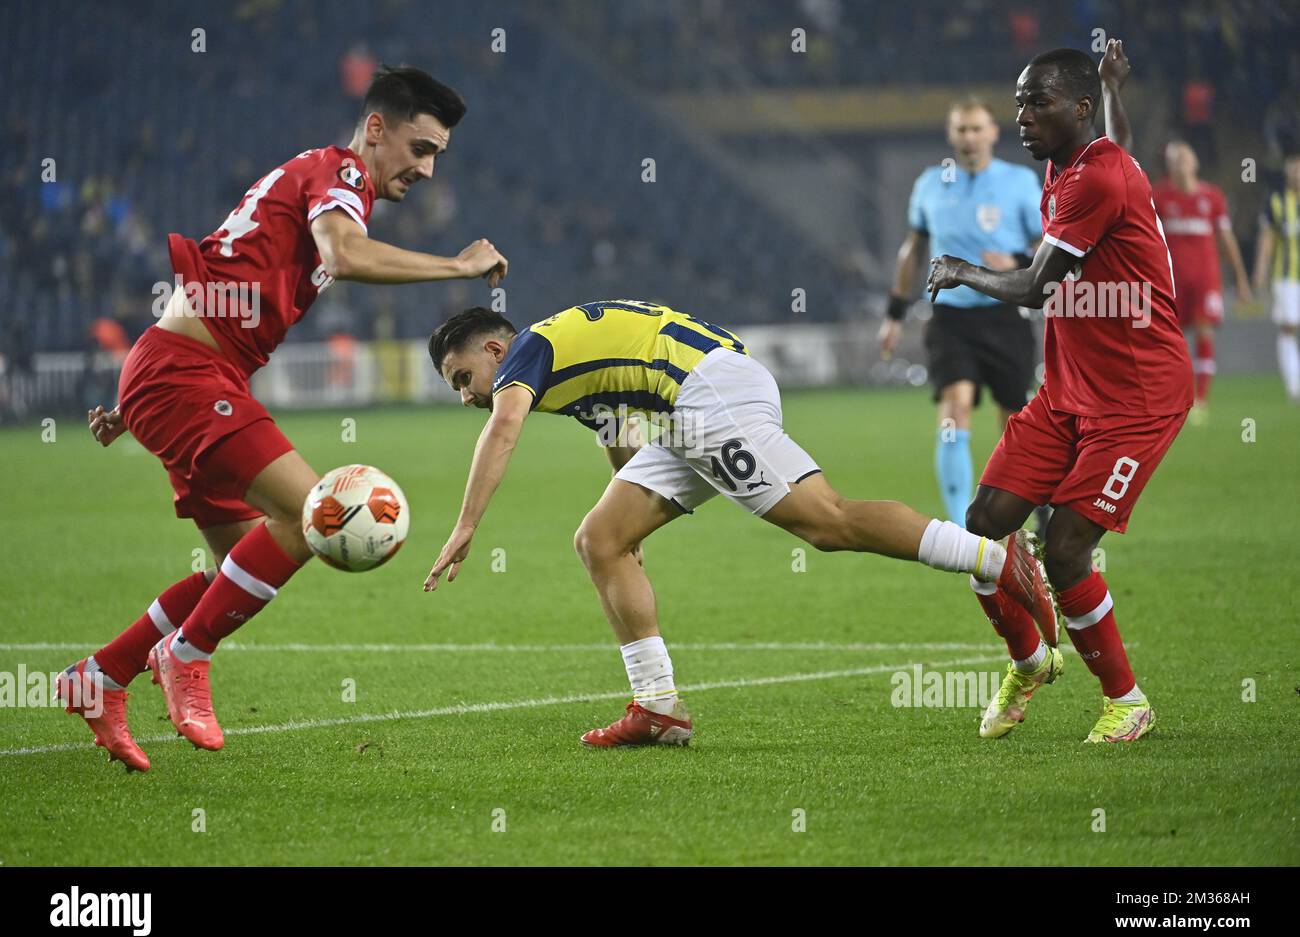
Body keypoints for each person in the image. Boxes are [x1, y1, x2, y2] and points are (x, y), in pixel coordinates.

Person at [59, 66, 509, 772]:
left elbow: (224, 272)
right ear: (377, 129)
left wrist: (135, 400)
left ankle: (101, 677)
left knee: (234, 572)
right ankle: (185, 655)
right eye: (419, 149)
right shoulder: (340, 176)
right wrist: (455, 264)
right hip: (185, 377)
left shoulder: (310, 178)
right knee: (317, 515)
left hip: (179, 373)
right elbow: (343, 255)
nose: (425, 169)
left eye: (437, 157)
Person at [422, 300, 1056, 747]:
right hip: (687, 409)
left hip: (708, 396)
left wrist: (465, 525)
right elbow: (618, 423)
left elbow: (502, 429)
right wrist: (629, 518)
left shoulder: (527, 353)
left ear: (495, 350)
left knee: (826, 523)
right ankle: (658, 707)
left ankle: (998, 559)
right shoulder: (562, 355)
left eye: (463, 377)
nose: (465, 395)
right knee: (601, 540)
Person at [926, 40, 1192, 743]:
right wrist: (1112, 92)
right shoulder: (1077, 162)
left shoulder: (1093, 181)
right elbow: (1118, 140)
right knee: (983, 525)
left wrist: (962, 269)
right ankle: (1030, 661)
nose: (1022, 114)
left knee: (1066, 548)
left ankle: (1126, 699)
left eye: (1036, 102)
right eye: (1018, 101)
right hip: (1068, 389)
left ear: (1077, 109)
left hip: (1136, 398)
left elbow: (1035, 284)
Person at [878, 97, 1043, 529]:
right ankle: (962, 531)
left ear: (993, 133)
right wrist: (894, 313)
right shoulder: (931, 183)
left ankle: (1032, 514)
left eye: (977, 129)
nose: (969, 138)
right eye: (961, 130)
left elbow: (1048, 245)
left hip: (1006, 314)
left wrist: (1017, 260)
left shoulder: (1019, 182)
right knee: (956, 407)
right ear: (951, 135)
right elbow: (913, 249)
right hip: (950, 317)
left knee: (1016, 421)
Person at [1151, 140, 1252, 421]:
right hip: (1170, 281)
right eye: (1174, 159)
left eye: (1184, 158)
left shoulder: (1213, 197)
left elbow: (1226, 240)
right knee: (1173, 340)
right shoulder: (1158, 197)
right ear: (1168, 166)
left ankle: (1202, 400)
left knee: (1204, 332)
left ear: (1195, 162)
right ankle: (1173, 398)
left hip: (1206, 278)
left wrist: (1242, 280)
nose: (1180, 164)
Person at [1252, 152, 1300, 402]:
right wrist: (1260, 270)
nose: (1297, 175)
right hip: (1286, 277)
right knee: (1289, 328)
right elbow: (1267, 238)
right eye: (1294, 170)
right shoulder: (1277, 202)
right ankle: (1294, 386)